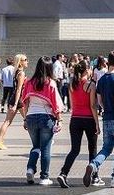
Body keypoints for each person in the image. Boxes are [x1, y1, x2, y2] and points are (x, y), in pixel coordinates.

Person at [86, 51, 114, 188]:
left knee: (106, 148)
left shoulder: (102, 79)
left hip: (106, 118)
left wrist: (107, 109)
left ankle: (93, 164)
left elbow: (99, 100)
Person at [19, 58, 62, 186]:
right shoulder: (51, 83)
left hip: (31, 117)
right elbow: (56, 104)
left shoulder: (29, 82)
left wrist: (25, 118)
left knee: (36, 146)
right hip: (46, 118)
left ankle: (30, 168)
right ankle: (44, 177)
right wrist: (59, 120)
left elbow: (25, 102)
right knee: (46, 148)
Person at [57, 61, 97, 188]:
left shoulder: (71, 85)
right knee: (92, 148)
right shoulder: (91, 85)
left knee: (74, 149)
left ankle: (63, 173)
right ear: (87, 71)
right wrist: (97, 123)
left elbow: (72, 105)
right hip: (89, 119)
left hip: (75, 119)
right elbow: (92, 105)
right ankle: (94, 176)